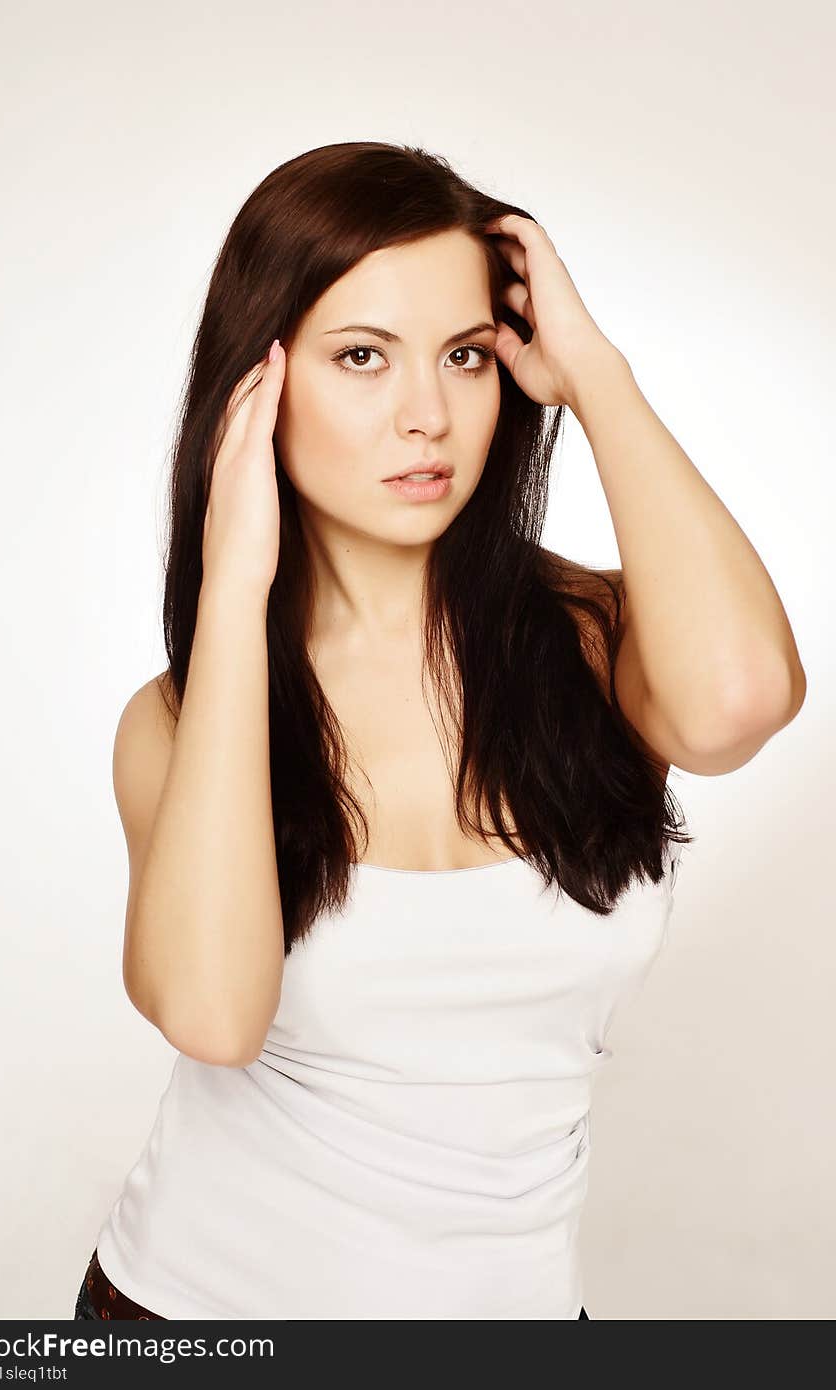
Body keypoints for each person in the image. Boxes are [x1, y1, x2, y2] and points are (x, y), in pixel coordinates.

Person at [74, 142, 805, 1321]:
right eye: (363, 357)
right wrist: (231, 588)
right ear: (256, 382)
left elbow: (740, 702)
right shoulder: (181, 719)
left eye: (464, 356)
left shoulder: (589, 637)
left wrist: (599, 377)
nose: (428, 414)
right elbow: (213, 1015)